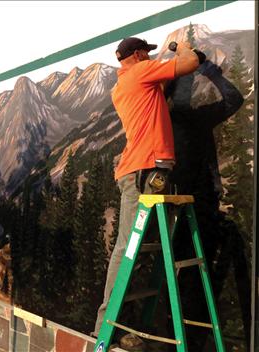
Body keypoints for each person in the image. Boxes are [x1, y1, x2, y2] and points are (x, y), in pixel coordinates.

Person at [93, 37, 199, 341]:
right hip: (145, 170)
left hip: (146, 171)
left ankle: (126, 325)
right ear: (139, 55)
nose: (149, 58)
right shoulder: (141, 73)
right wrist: (185, 49)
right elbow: (192, 63)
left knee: (137, 252)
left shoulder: (126, 84)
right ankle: (104, 329)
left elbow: (160, 89)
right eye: (147, 54)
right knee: (127, 249)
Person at [167, 60, 247, 350]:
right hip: (199, 206)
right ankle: (193, 339)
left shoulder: (168, 119)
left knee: (183, 281)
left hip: (176, 208)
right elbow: (235, 99)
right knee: (197, 279)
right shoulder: (197, 118)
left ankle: (184, 338)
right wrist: (210, 71)